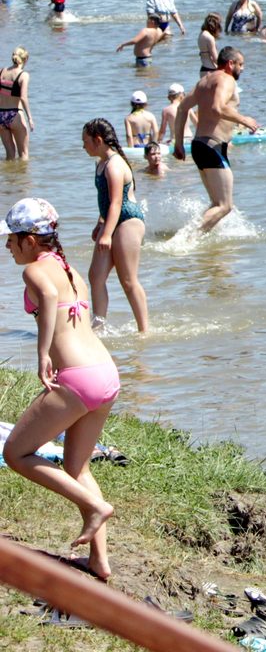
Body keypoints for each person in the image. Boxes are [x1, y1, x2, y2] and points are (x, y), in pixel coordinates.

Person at [3, 198, 118, 579]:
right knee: (77, 465)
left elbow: (49, 298)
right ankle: (99, 561)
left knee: (16, 453)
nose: (7, 246)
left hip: (77, 378)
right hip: (105, 373)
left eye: (12, 239)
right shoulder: (71, 271)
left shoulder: (35, 271)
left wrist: (42, 355)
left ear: (31, 241)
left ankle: (94, 506)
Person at [172, 47, 260, 233]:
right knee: (225, 205)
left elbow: (182, 108)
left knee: (216, 203)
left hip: (199, 146)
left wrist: (178, 143)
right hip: (212, 146)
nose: (242, 69)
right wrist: (245, 120)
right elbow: (217, 108)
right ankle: (184, 239)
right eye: (241, 64)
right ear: (230, 64)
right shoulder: (227, 80)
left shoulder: (204, 81)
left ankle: (196, 240)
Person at [82, 120, 148, 333]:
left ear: (98, 140)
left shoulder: (114, 165)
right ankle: (98, 326)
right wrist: (100, 223)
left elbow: (117, 202)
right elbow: (106, 200)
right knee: (95, 276)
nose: (83, 146)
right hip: (111, 220)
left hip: (128, 221)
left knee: (128, 279)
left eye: (86, 141)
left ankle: (144, 330)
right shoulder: (100, 162)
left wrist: (106, 234)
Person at [0, 47, 33, 161]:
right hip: (14, 114)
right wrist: (30, 118)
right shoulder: (23, 75)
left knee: (10, 155)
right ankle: (22, 179)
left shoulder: (2, 71)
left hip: (1, 116)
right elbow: (23, 98)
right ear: (26, 59)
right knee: (24, 154)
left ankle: (10, 178)